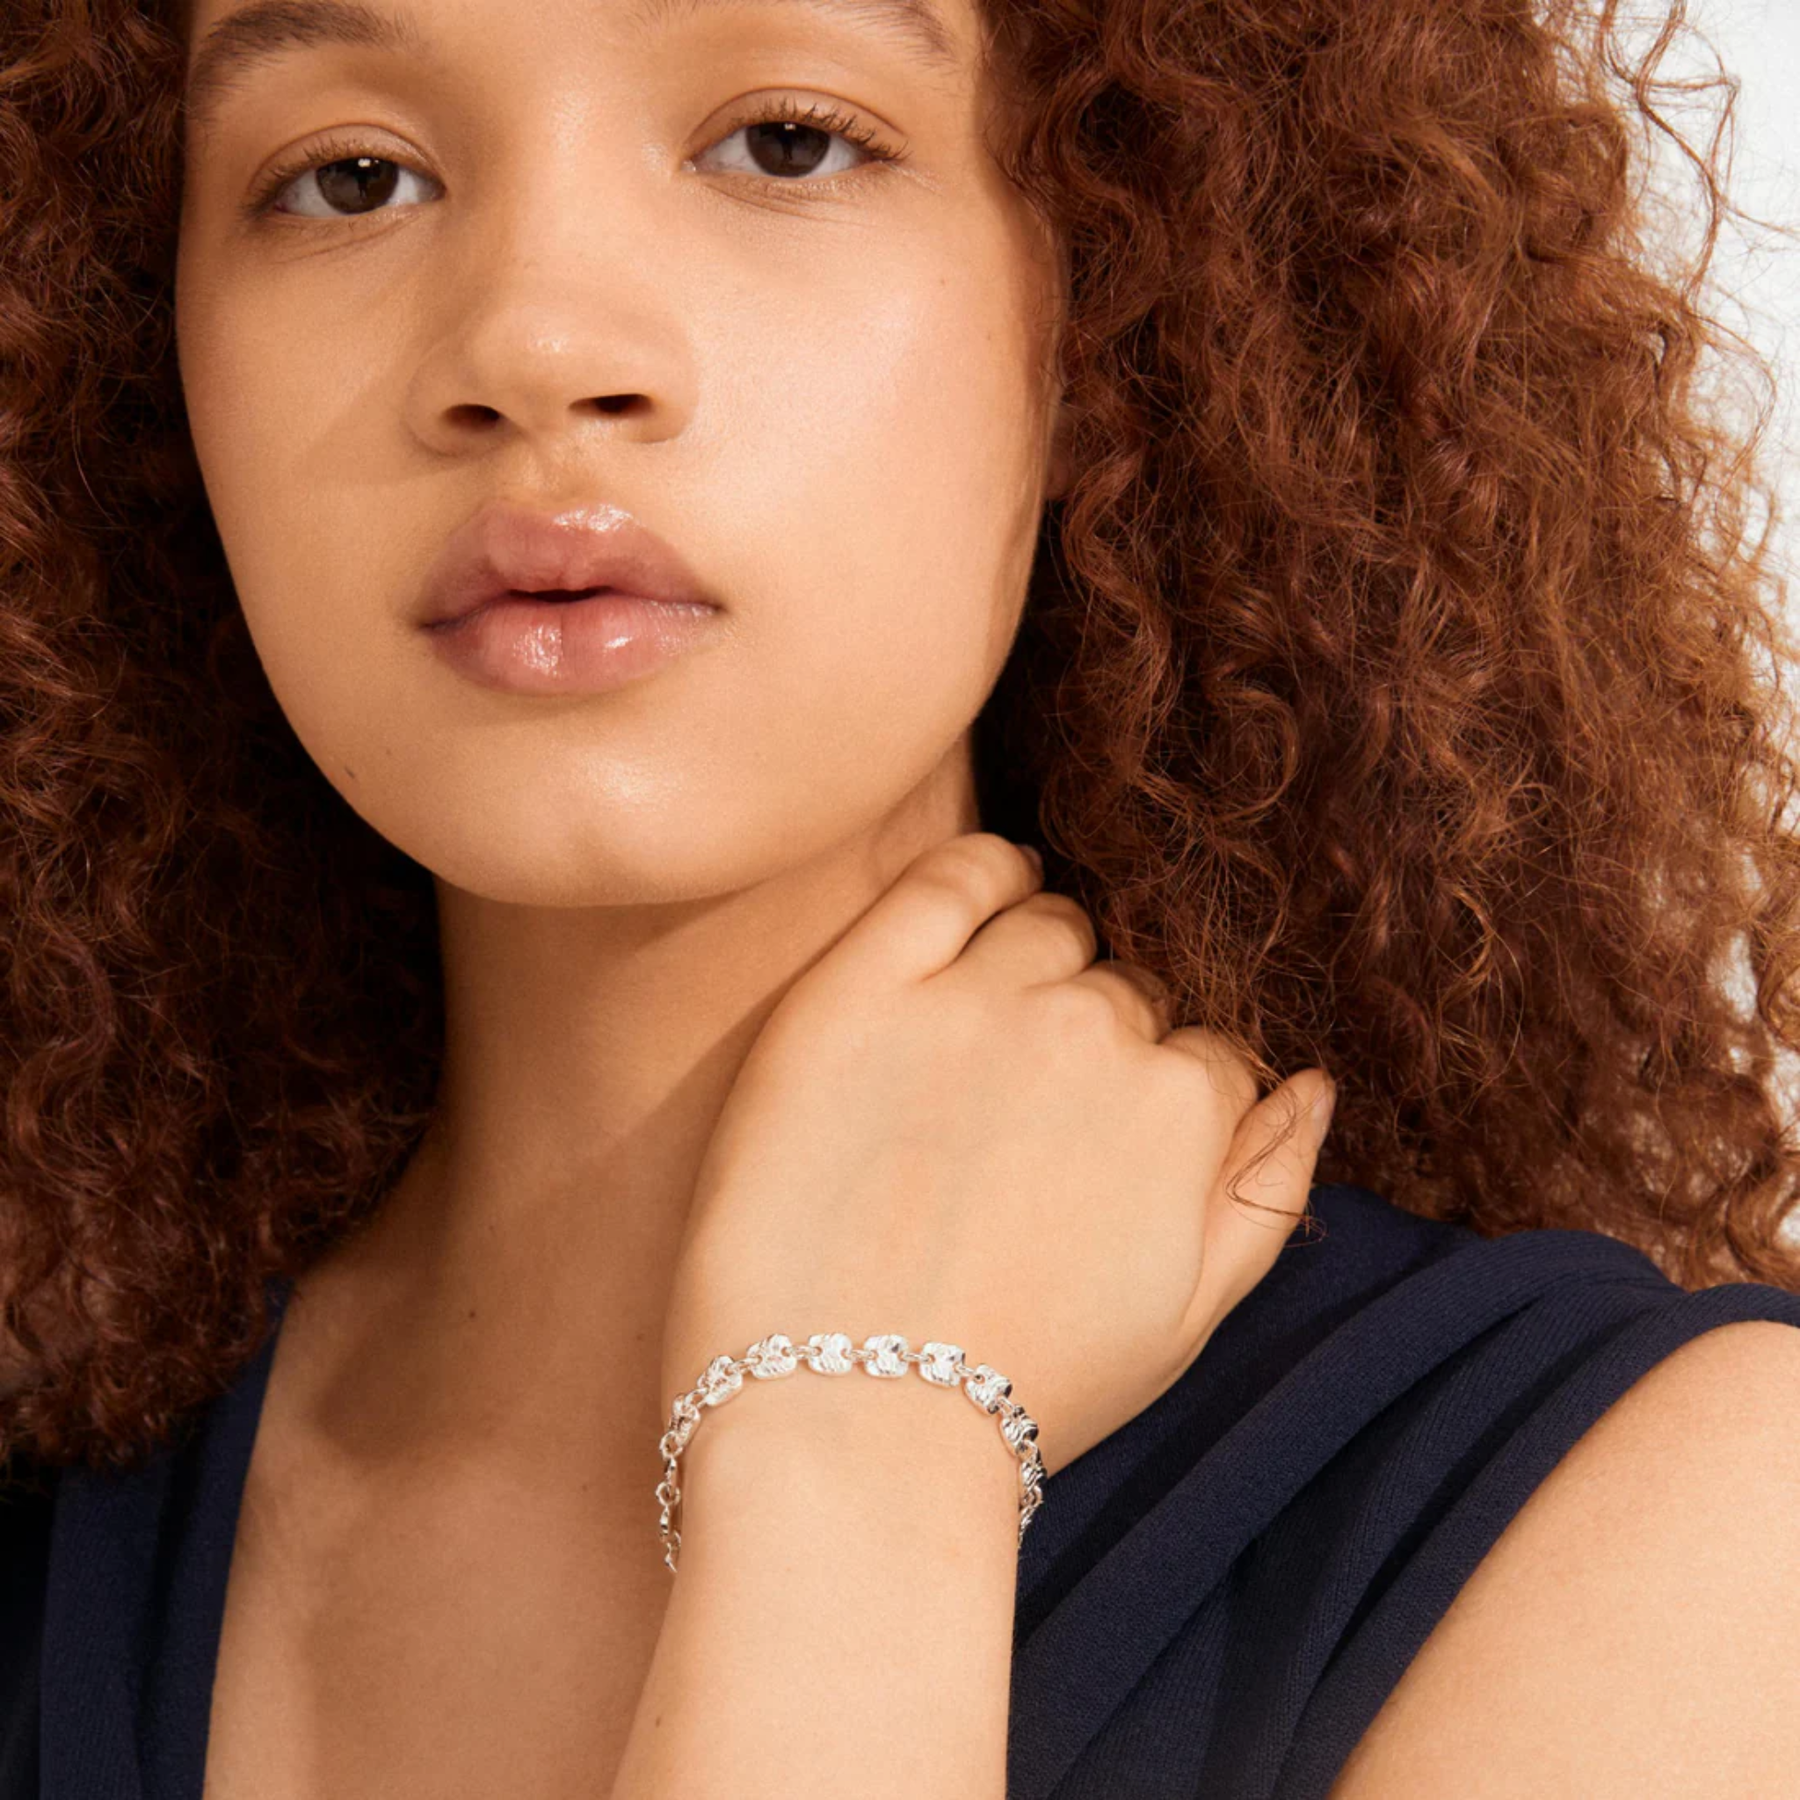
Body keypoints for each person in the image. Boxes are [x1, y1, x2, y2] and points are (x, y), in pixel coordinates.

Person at [3, 0, 1800, 1793]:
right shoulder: (47, 1494)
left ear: (1117, 287)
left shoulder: (1679, 1539)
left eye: (785, 141)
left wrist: (857, 1473)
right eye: (351, 177)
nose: (532, 345)